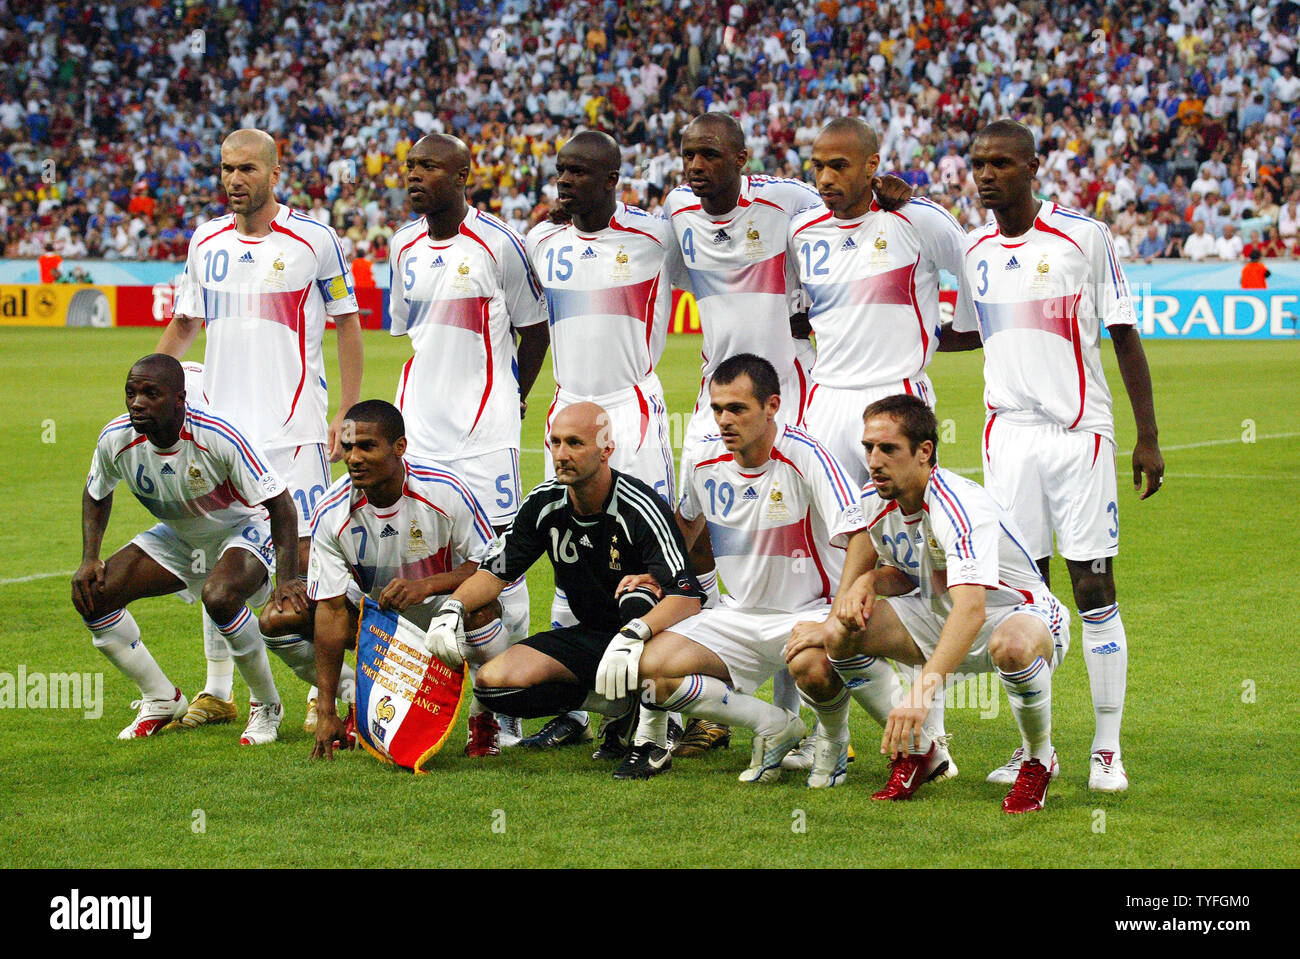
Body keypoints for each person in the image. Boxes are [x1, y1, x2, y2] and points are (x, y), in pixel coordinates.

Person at [663, 113, 910, 763]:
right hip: (712, 405)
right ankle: (717, 704)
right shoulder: (676, 212)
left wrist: (892, 196)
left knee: (790, 565)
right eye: (687, 154)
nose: (695, 166)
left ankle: (811, 716)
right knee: (698, 548)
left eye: (710, 154)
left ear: (742, 158)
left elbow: (847, 214)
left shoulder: (791, 200)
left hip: (788, 403)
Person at [950, 119, 1164, 792]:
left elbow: (1124, 337)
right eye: (979, 164)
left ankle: (1107, 748)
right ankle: (1034, 749)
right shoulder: (974, 247)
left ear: (1034, 168)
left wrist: (1148, 436)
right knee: (1019, 595)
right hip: (1006, 439)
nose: (987, 175)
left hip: (1078, 437)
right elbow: (964, 334)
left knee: (1093, 586)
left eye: (1002, 164)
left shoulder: (1083, 238)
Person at [627, 356, 951, 785]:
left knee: (814, 665)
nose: (724, 420)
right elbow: (687, 522)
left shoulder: (807, 454)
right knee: (651, 669)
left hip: (806, 611)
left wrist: (838, 613)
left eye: (737, 409)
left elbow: (859, 532)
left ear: (772, 406)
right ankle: (774, 725)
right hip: (736, 615)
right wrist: (659, 575)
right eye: (717, 408)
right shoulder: (704, 455)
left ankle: (843, 743)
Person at [157, 128, 364, 734]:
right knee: (217, 554)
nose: (233, 180)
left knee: (300, 561)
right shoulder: (205, 240)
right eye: (225, 169)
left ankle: (318, 686)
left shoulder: (313, 241)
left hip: (292, 434)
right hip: (219, 436)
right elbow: (184, 323)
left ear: (276, 172)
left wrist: (346, 413)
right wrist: (141, 392)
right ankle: (218, 689)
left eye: (246, 168)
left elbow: (347, 326)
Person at [788, 395, 1071, 812]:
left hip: (1016, 614)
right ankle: (921, 751)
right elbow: (908, 569)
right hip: (940, 614)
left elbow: (973, 607)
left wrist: (921, 692)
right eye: (868, 448)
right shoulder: (874, 501)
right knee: (840, 634)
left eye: (888, 448)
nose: (874, 460)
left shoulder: (959, 505)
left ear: (925, 452)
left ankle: (1037, 759)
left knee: (1012, 646)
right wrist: (866, 584)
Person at [421, 402, 704, 772]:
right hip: (591, 636)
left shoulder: (640, 506)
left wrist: (637, 631)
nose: (561, 454)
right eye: (555, 442)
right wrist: (451, 609)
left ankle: (658, 723)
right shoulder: (544, 504)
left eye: (575, 443)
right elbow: (496, 573)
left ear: (606, 450)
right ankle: (618, 705)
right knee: (494, 685)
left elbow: (687, 596)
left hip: (654, 642)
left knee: (638, 596)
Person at [389, 132, 551, 754]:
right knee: (424, 562)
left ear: (463, 175)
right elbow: (414, 338)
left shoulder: (500, 244)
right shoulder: (404, 245)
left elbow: (533, 331)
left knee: (499, 569)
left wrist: (511, 398)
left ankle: (502, 714)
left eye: (429, 166)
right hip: (421, 433)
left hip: (484, 438)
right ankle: (425, 701)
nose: (415, 176)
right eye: (410, 167)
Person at [524, 130, 679, 748]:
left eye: (582, 173)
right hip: (566, 408)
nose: (566, 182)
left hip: (631, 406)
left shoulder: (654, 237)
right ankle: (577, 709)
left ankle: (660, 709)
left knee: (649, 556)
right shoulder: (542, 240)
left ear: (614, 180)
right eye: (562, 171)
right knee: (567, 548)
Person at [72, 355, 304, 745]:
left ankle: (266, 705)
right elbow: (96, 493)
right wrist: (89, 557)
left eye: (150, 393)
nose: (137, 403)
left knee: (220, 595)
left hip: (241, 528)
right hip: (179, 537)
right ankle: (161, 697)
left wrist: (287, 579)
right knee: (93, 596)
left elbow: (280, 504)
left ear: (180, 399)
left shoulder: (219, 434)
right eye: (131, 393)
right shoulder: (116, 438)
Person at [266, 400, 504, 759]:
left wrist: (426, 586)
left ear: (399, 447)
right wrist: (326, 708)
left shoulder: (444, 489)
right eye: (347, 447)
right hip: (376, 620)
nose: (354, 458)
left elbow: (489, 565)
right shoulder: (331, 511)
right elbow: (330, 609)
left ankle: (485, 716)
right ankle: (356, 698)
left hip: (443, 613)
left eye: (366, 446)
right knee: (277, 619)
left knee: (486, 610)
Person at [788, 117, 974, 488]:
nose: (825, 178)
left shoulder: (920, 221)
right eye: (818, 166)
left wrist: (952, 335)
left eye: (839, 166)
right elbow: (800, 315)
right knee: (830, 531)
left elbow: (979, 269)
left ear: (872, 165)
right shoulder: (801, 231)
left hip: (897, 393)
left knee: (908, 525)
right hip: (827, 400)